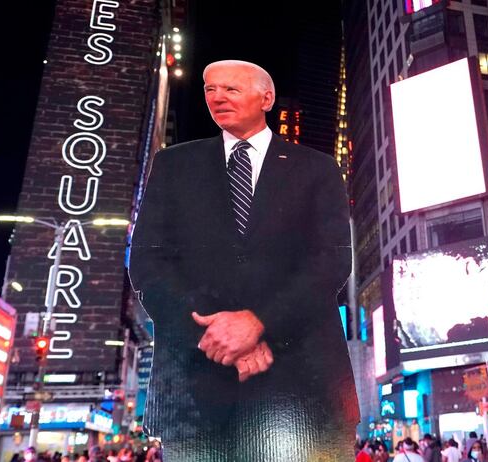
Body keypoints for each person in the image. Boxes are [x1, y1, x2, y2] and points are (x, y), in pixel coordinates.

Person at [129, 59, 358, 461]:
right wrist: (217, 333)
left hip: (304, 392)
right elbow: (148, 263)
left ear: (265, 97)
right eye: (210, 89)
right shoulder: (173, 165)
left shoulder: (319, 169)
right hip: (194, 395)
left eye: (231, 89)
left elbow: (331, 263)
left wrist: (259, 322)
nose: (217, 97)